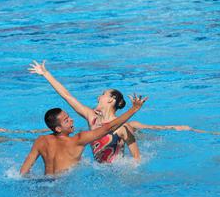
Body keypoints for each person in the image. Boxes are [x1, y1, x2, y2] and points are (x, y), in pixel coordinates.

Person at [31, 60, 161, 163]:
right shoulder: (91, 117)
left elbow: (136, 159)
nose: (98, 97)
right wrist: (46, 74)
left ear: (111, 100)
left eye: (103, 94)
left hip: (116, 174)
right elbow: (67, 96)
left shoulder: (122, 128)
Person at [20, 94, 147, 175]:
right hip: (63, 187)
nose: (72, 120)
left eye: (69, 117)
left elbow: (23, 173)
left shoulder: (40, 140)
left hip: (45, 183)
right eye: (66, 120)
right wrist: (134, 109)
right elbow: (109, 127)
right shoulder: (77, 140)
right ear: (58, 128)